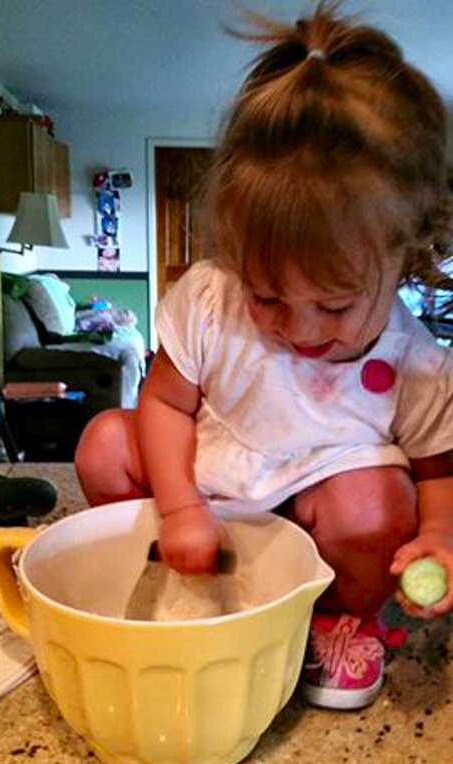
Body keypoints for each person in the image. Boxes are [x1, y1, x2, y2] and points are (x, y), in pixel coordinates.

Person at [76, 2, 453, 710]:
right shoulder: (211, 299)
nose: (299, 328)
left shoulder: (420, 363)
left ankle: (335, 617)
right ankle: (171, 564)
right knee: (102, 443)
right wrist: (180, 505)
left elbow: (438, 473)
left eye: (336, 304)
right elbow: (161, 401)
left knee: (378, 506)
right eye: (269, 295)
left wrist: (438, 535)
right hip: (212, 478)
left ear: (408, 252)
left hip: (321, 499)